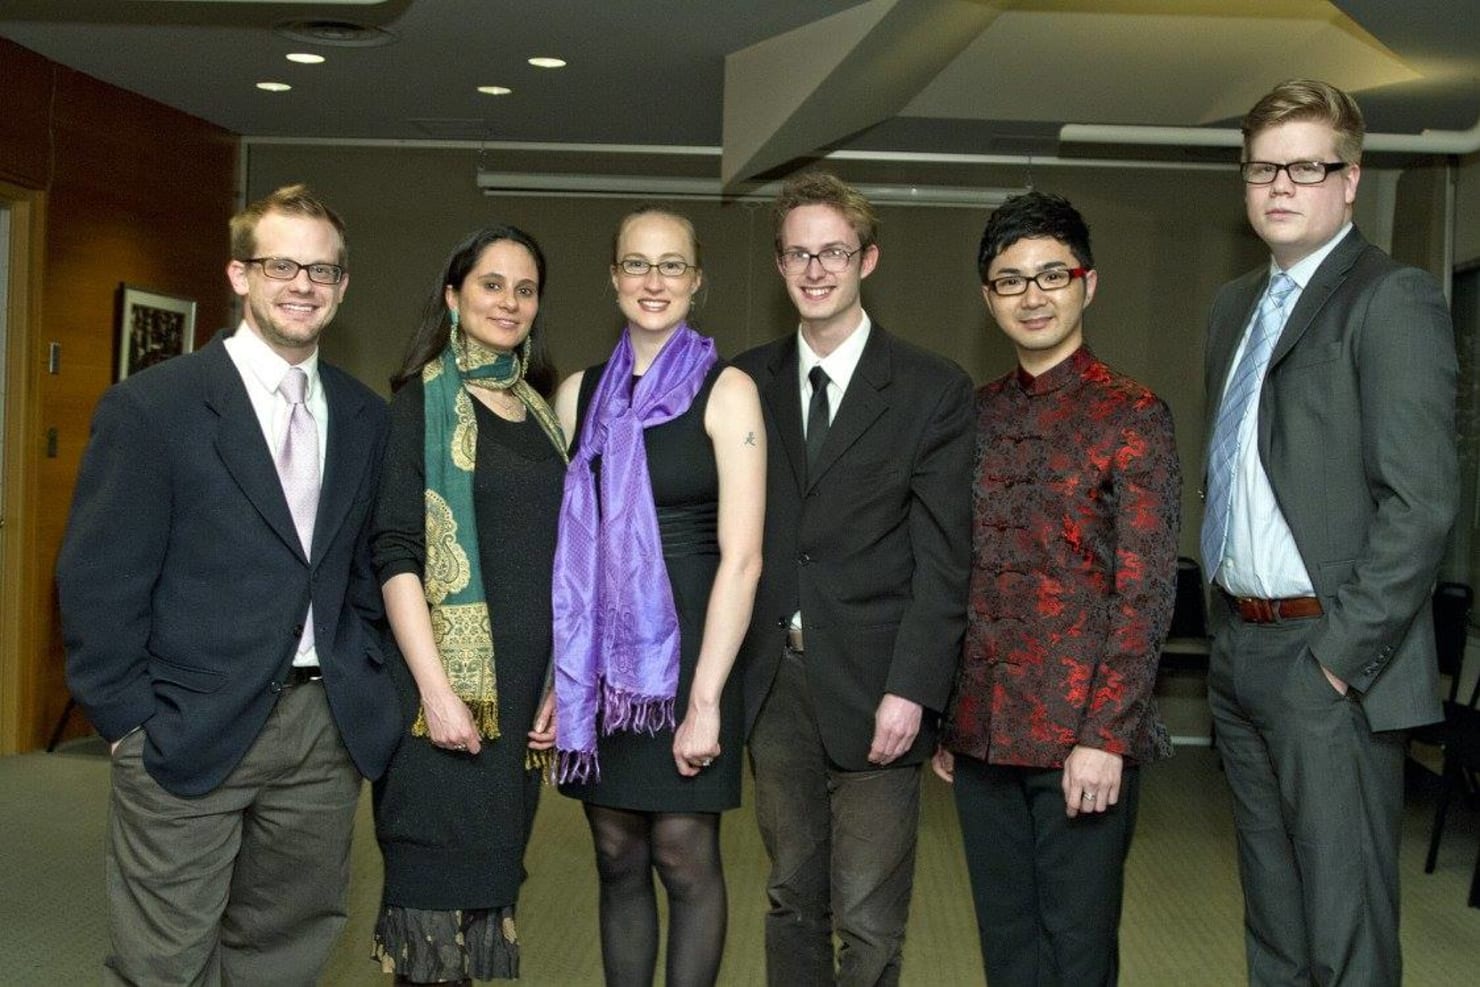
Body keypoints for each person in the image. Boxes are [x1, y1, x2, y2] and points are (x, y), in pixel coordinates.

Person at [55, 184, 399, 986]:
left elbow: (361, 570)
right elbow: (98, 577)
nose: (303, 285)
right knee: (164, 963)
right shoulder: (154, 407)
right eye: (283, 264)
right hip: (184, 724)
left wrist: (366, 679)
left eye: (323, 270)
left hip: (322, 733)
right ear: (239, 275)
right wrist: (128, 722)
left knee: (286, 951)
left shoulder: (364, 415)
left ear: (343, 287)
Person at [1201, 79, 1458, 985]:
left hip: (1328, 655)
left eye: (1306, 167)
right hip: (1238, 647)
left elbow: (1421, 504)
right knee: (1274, 916)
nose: (1280, 186)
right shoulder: (1235, 306)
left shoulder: (1392, 299)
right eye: (1264, 167)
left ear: (1351, 179)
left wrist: (1337, 660)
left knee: (1346, 929)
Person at [932, 190, 1180, 986]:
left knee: (1077, 949)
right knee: (1007, 947)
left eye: (1052, 275)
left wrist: (1107, 735)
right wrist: (947, 715)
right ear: (988, 297)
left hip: (1083, 738)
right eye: (1011, 280)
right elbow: (954, 572)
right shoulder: (973, 416)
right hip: (982, 733)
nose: (1032, 295)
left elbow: (1144, 593)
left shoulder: (1133, 414)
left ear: (1088, 284)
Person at [732, 171, 974, 986]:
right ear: (779, 263)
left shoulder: (930, 388)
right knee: (790, 895)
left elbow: (945, 561)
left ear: (867, 258)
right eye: (798, 252)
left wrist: (915, 689)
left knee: (868, 918)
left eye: (832, 250)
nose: (814, 269)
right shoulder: (743, 383)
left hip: (880, 687)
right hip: (777, 684)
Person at [552, 206, 765, 986]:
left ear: (697, 280)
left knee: (683, 855)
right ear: (613, 277)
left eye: (671, 265)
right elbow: (570, 553)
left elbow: (743, 559)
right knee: (615, 853)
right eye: (637, 264)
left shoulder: (728, 390)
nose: (654, 281)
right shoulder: (579, 395)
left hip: (689, 659)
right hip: (604, 666)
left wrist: (705, 698)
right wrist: (559, 680)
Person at [369, 226, 567, 985]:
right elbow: (397, 557)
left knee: (485, 899)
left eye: (524, 288)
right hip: (438, 708)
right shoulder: (416, 407)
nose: (509, 301)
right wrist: (437, 691)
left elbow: (561, 564)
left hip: (517, 710)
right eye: (491, 283)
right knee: (428, 927)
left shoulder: (541, 415)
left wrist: (558, 680)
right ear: (453, 296)